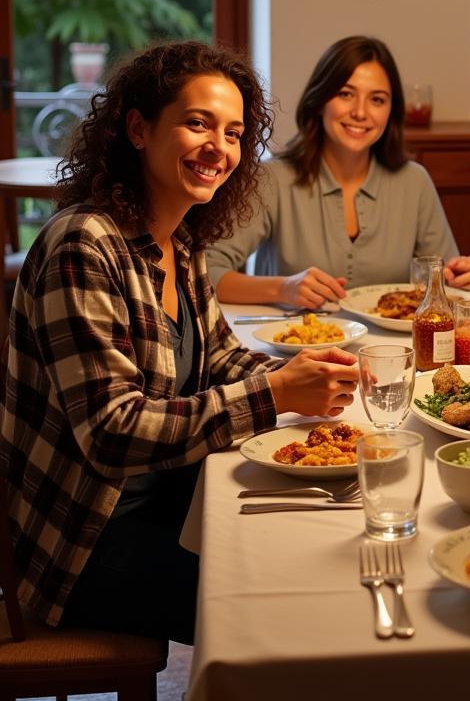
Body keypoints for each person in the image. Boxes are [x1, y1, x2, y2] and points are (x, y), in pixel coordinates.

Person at [0, 41, 360, 642]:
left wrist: (306, 369)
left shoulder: (177, 240)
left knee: (321, 541)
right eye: (198, 124)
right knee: (284, 608)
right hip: (80, 541)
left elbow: (220, 356)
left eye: (236, 133)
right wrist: (275, 393)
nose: (220, 149)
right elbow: (112, 433)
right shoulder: (83, 244)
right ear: (138, 129)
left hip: (165, 498)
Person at [207, 36, 466, 309]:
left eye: (377, 100)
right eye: (345, 94)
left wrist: (465, 278)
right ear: (319, 100)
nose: (360, 112)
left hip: (392, 350)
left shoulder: (415, 181)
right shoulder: (271, 178)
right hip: (294, 346)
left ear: (391, 111)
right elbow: (206, 271)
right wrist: (283, 288)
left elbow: (444, 283)